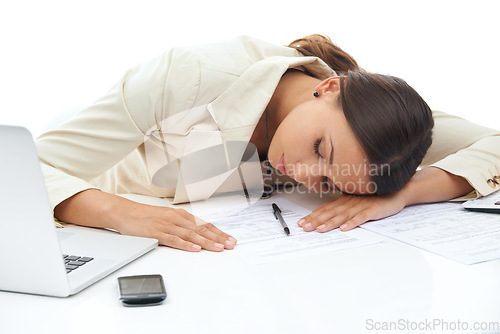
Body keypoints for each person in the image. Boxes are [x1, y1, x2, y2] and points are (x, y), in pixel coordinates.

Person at [37, 35, 500, 252]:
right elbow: (18, 167)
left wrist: (404, 193)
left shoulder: (381, 134)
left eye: (325, 182)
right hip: (88, 188)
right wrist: (123, 212)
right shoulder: (187, 76)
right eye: (320, 150)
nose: (301, 174)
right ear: (331, 87)